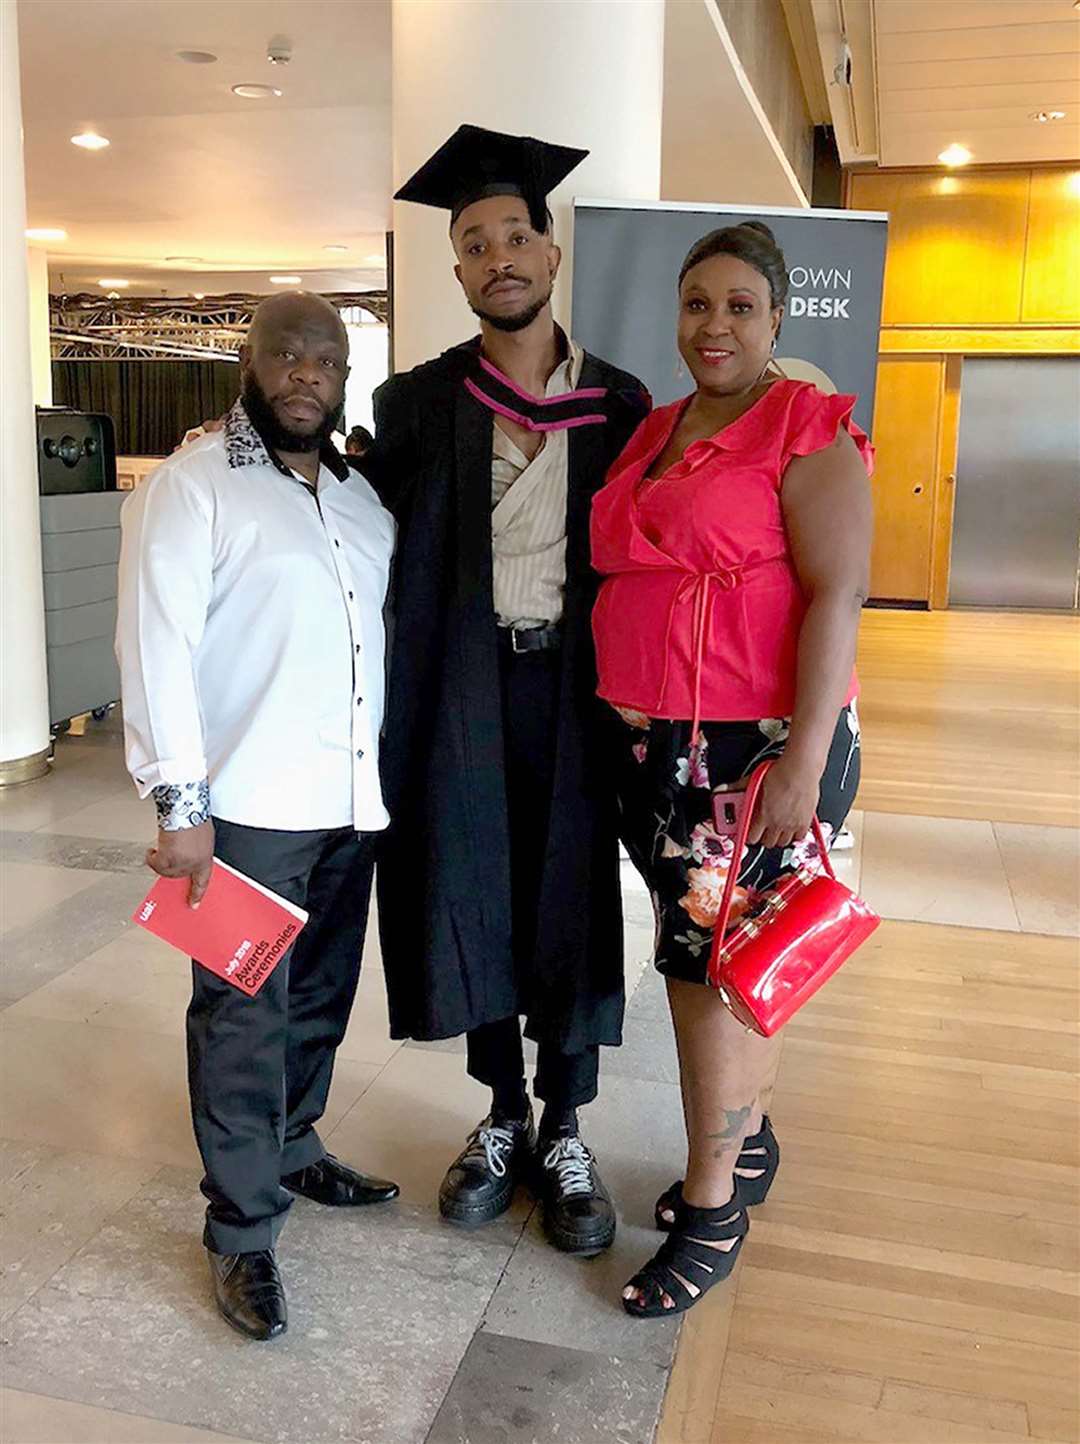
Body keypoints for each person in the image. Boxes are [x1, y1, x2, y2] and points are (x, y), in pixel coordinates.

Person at [361, 125, 650, 1256]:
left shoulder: (623, 407)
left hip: (580, 694)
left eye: (516, 234)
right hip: (465, 685)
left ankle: (568, 1123)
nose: (499, 257)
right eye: (474, 243)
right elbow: (359, 529)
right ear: (458, 270)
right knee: (473, 880)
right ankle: (502, 1114)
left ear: (552, 250)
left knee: (570, 893)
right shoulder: (418, 403)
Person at [589, 222, 873, 1317]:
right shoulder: (655, 430)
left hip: (749, 752)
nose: (714, 324)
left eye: (740, 305)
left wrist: (802, 757)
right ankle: (746, 1147)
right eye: (697, 302)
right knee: (712, 964)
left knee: (709, 980)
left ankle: (712, 1212)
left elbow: (837, 596)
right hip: (659, 747)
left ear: (779, 318)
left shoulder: (806, 426)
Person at [115, 293, 400, 1342]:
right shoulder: (193, 490)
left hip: (346, 806)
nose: (305, 374)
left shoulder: (362, 501)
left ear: (343, 375)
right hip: (240, 815)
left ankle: (293, 1144)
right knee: (241, 1021)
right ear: (250, 360)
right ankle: (241, 1231)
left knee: (322, 993)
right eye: (286, 354)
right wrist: (179, 805)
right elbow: (154, 646)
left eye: (324, 358)